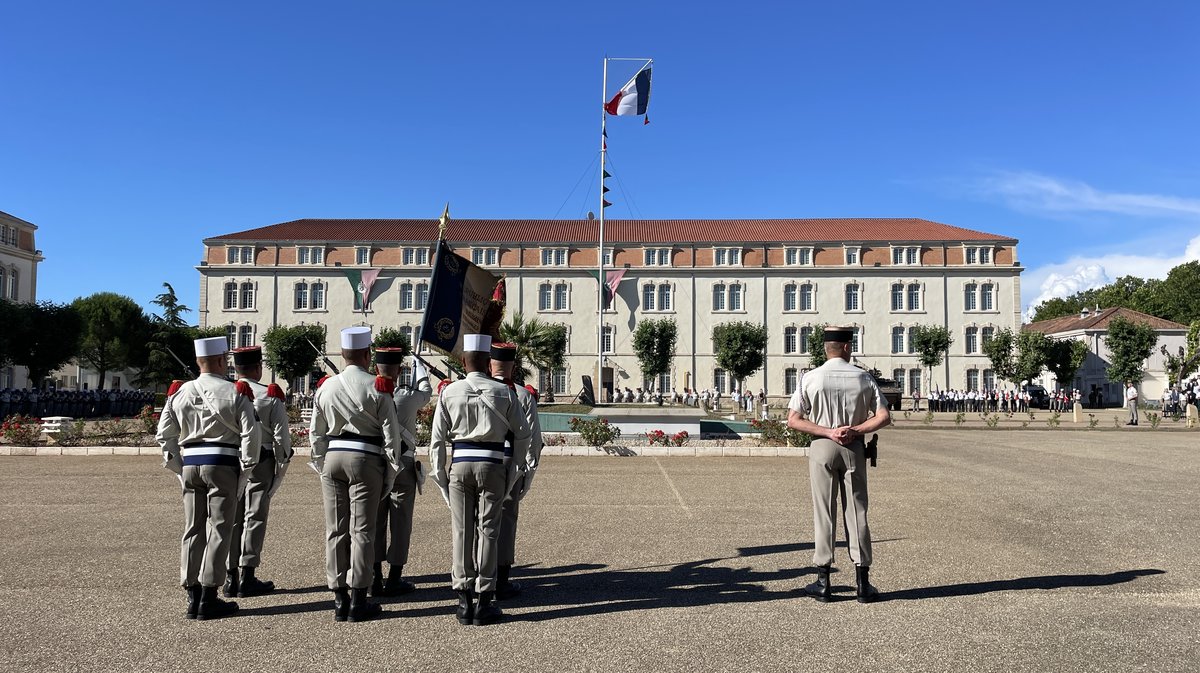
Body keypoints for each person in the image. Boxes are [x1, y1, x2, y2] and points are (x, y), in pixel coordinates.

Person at [429, 334, 531, 626]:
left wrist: (439, 475)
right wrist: (514, 471)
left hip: (460, 464)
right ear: (488, 363)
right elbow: (522, 434)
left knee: (462, 531)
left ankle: (463, 600)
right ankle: (485, 599)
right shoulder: (503, 392)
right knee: (489, 531)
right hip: (492, 464)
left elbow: (437, 440)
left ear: (462, 361)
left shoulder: (450, 392)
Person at [156, 336, 260, 620]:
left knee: (192, 527)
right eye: (224, 359)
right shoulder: (236, 391)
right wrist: (247, 468)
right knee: (219, 528)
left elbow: (164, 434)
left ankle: (191, 592)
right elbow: (251, 435)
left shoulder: (180, 392)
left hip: (191, 462)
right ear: (218, 360)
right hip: (222, 462)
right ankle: (209, 594)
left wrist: (177, 466)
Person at [786, 326, 891, 604]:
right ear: (847, 347)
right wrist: (854, 430)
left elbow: (793, 419)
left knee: (824, 510)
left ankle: (823, 580)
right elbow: (883, 416)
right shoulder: (863, 377)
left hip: (822, 446)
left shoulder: (810, 377)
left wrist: (827, 431)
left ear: (825, 348)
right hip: (853, 447)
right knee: (857, 511)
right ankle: (862, 582)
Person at [310, 326, 402, 622]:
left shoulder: (326, 387)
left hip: (333, 457)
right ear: (367, 354)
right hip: (365, 458)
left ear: (343, 354)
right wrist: (391, 469)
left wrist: (321, 462)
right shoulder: (378, 386)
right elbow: (392, 436)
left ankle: (339, 597)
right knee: (363, 530)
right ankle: (359, 598)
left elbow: (316, 433)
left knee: (335, 528)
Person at [224, 346, 292, 599]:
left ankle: (230, 576)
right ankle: (247, 575)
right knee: (255, 517)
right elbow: (280, 437)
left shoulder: (224, 393)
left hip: (230, 460)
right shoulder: (268, 394)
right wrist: (282, 463)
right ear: (258, 367)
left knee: (231, 517)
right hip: (260, 462)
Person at [372, 348, 432, 597]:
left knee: (374, 522)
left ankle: (374, 577)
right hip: (403, 464)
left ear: (376, 369)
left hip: (375, 464)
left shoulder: (371, 393)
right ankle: (394, 577)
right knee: (401, 521)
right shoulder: (406, 396)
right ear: (399, 370)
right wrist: (419, 367)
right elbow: (427, 394)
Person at [488, 341, 544, 599]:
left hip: (480, 459)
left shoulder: (477, 390)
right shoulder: (522, 395)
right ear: (513, 366)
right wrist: (527, 476)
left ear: (491, 364)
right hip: (511, 462)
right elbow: (534, 441)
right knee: (506, 521)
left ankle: (478, 575)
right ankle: (502, 579)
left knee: (478, 520)